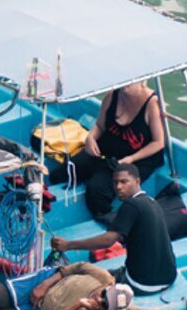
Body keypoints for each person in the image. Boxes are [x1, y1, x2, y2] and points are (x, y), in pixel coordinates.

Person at [51, 163, 178, 295]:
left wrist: (68, 245)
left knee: (81, 283)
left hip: (142, 283)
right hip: (168, 277)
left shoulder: (131, 205)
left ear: (137, 181)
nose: (118, 187)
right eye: (115, 182)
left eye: (124, 182)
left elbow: (108, 240)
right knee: (110, 272)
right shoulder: (151, 201)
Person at [67, 80, 168, 218]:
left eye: (131, 79)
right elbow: (100, 126)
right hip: (107, 149)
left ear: (143, 81)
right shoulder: (112, 95)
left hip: (137, 159)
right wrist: (90, 138)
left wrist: (131, 159)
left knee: (96, 190)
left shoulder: (152, 104)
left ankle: (109, 220)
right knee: (67, 169)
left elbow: (159, 142)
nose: (125, 83)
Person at [30, 260, 131, 310]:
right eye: (104, 294)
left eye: (104, 304)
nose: (99, 300)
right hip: (45, 282)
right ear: (109, 285)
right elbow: (79, 266)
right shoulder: (104, 277)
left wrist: (78, 304)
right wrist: (45, 284)